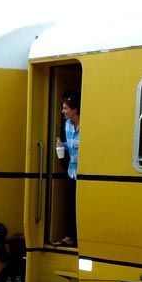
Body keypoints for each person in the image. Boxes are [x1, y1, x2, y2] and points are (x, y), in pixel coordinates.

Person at [53, 94, 80, 247]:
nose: (63, 111)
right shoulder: (67, 124)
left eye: (65, 108)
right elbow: (70, 147)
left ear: (74, 110)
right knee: (70, 205)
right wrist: (61, 145)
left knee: (79, 206)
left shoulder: (87, 124)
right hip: (71, 171)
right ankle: (70, 236)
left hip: (84, 174)